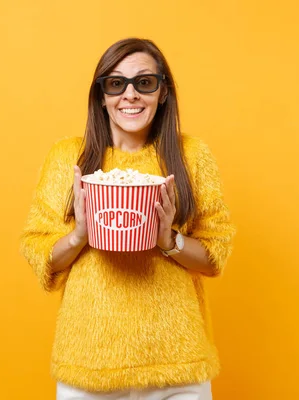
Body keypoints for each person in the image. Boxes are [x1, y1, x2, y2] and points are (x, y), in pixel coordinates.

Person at [20, 38, 236, 400]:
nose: (130, 95)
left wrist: (169, 241)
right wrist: (80, 235)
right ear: (101, 95)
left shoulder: (191, 156)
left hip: (177, 366)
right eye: (116, 83)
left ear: (163, 92)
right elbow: (38, 250)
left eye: (145, 82)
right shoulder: (68, 157)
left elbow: (215, 257)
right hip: (88, 366)